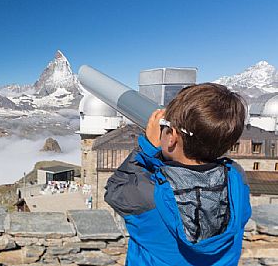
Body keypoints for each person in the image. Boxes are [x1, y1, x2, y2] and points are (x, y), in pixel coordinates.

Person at [104, 83, 251, 266]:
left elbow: (115, 189)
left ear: (172, 136)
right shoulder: (237, 179)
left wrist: (147, 150)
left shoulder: (147, 195)